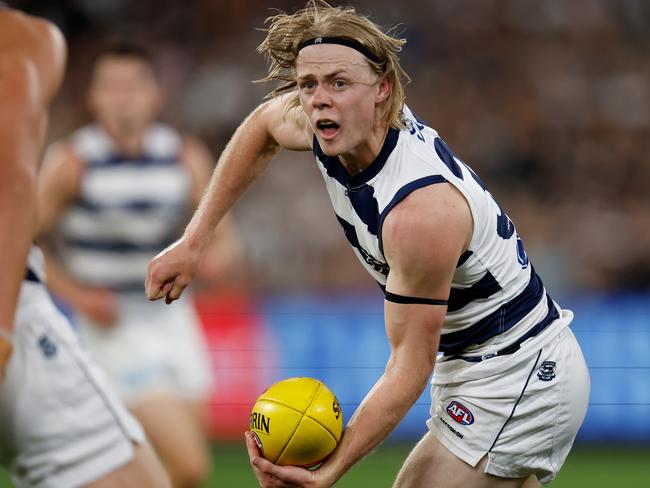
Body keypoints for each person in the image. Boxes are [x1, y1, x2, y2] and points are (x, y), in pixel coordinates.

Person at [145, 1, 591, 487]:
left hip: (518, 371)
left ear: (382, 89)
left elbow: (408, 366)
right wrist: (193, 241)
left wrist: (332, 467)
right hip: (479, 363)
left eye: (339, 82)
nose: (318, 100)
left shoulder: (419, 211)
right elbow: (263, 126)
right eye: (308, 84)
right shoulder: (332, 125)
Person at [36, 42, 223, 488]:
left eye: (133, 86)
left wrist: (212, 257)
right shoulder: (73, 162)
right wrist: (78, 295)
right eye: (112, 87)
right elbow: (21, 240)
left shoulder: (184, 156)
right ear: (93, 97)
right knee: (189, 465)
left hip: (176, 320)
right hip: (112, 330)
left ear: (155, 94)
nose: (123, 97)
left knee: (179, 472)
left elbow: (224, 236)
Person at [0, 7, 171, 488]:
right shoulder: (24, 41)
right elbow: (13, 194)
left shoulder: (178, 154)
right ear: (94, 98)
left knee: (190, 464)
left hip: (165, 320)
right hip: (74, 322)